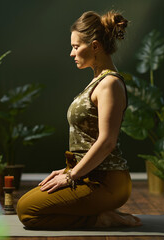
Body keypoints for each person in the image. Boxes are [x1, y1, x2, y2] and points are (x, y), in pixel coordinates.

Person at [16, 10, 141, 229]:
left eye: (76, 47)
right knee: (26, 204)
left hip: (107, 181)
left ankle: (102, 218)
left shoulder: (109, 84)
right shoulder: (97, 81)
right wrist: (68, 170)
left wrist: (71, 175)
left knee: (27, 211)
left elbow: (107, 141)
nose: (72, 53)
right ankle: (99, 214)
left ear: (94, 46)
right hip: (86, 174)